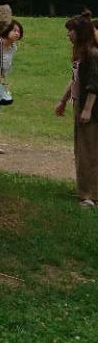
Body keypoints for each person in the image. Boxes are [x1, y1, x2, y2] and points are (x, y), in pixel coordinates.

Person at [56, 11, 98, 209]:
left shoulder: (92, 54)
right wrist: (63, 101)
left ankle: (92, 195)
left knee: (90, 151)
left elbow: (93, 85)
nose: (68, 35)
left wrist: (88, 110)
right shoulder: (80, 54)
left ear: (80, 32)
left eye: (71, 31)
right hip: (78, 104)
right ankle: (84, 190)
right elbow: (75, 80)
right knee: (81, 150)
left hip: (90, 110)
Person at [0, 21, 24, 156]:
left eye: (18, 31)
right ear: (6, 30)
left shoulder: (13, 47)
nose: (16, 33)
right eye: (13, 30)